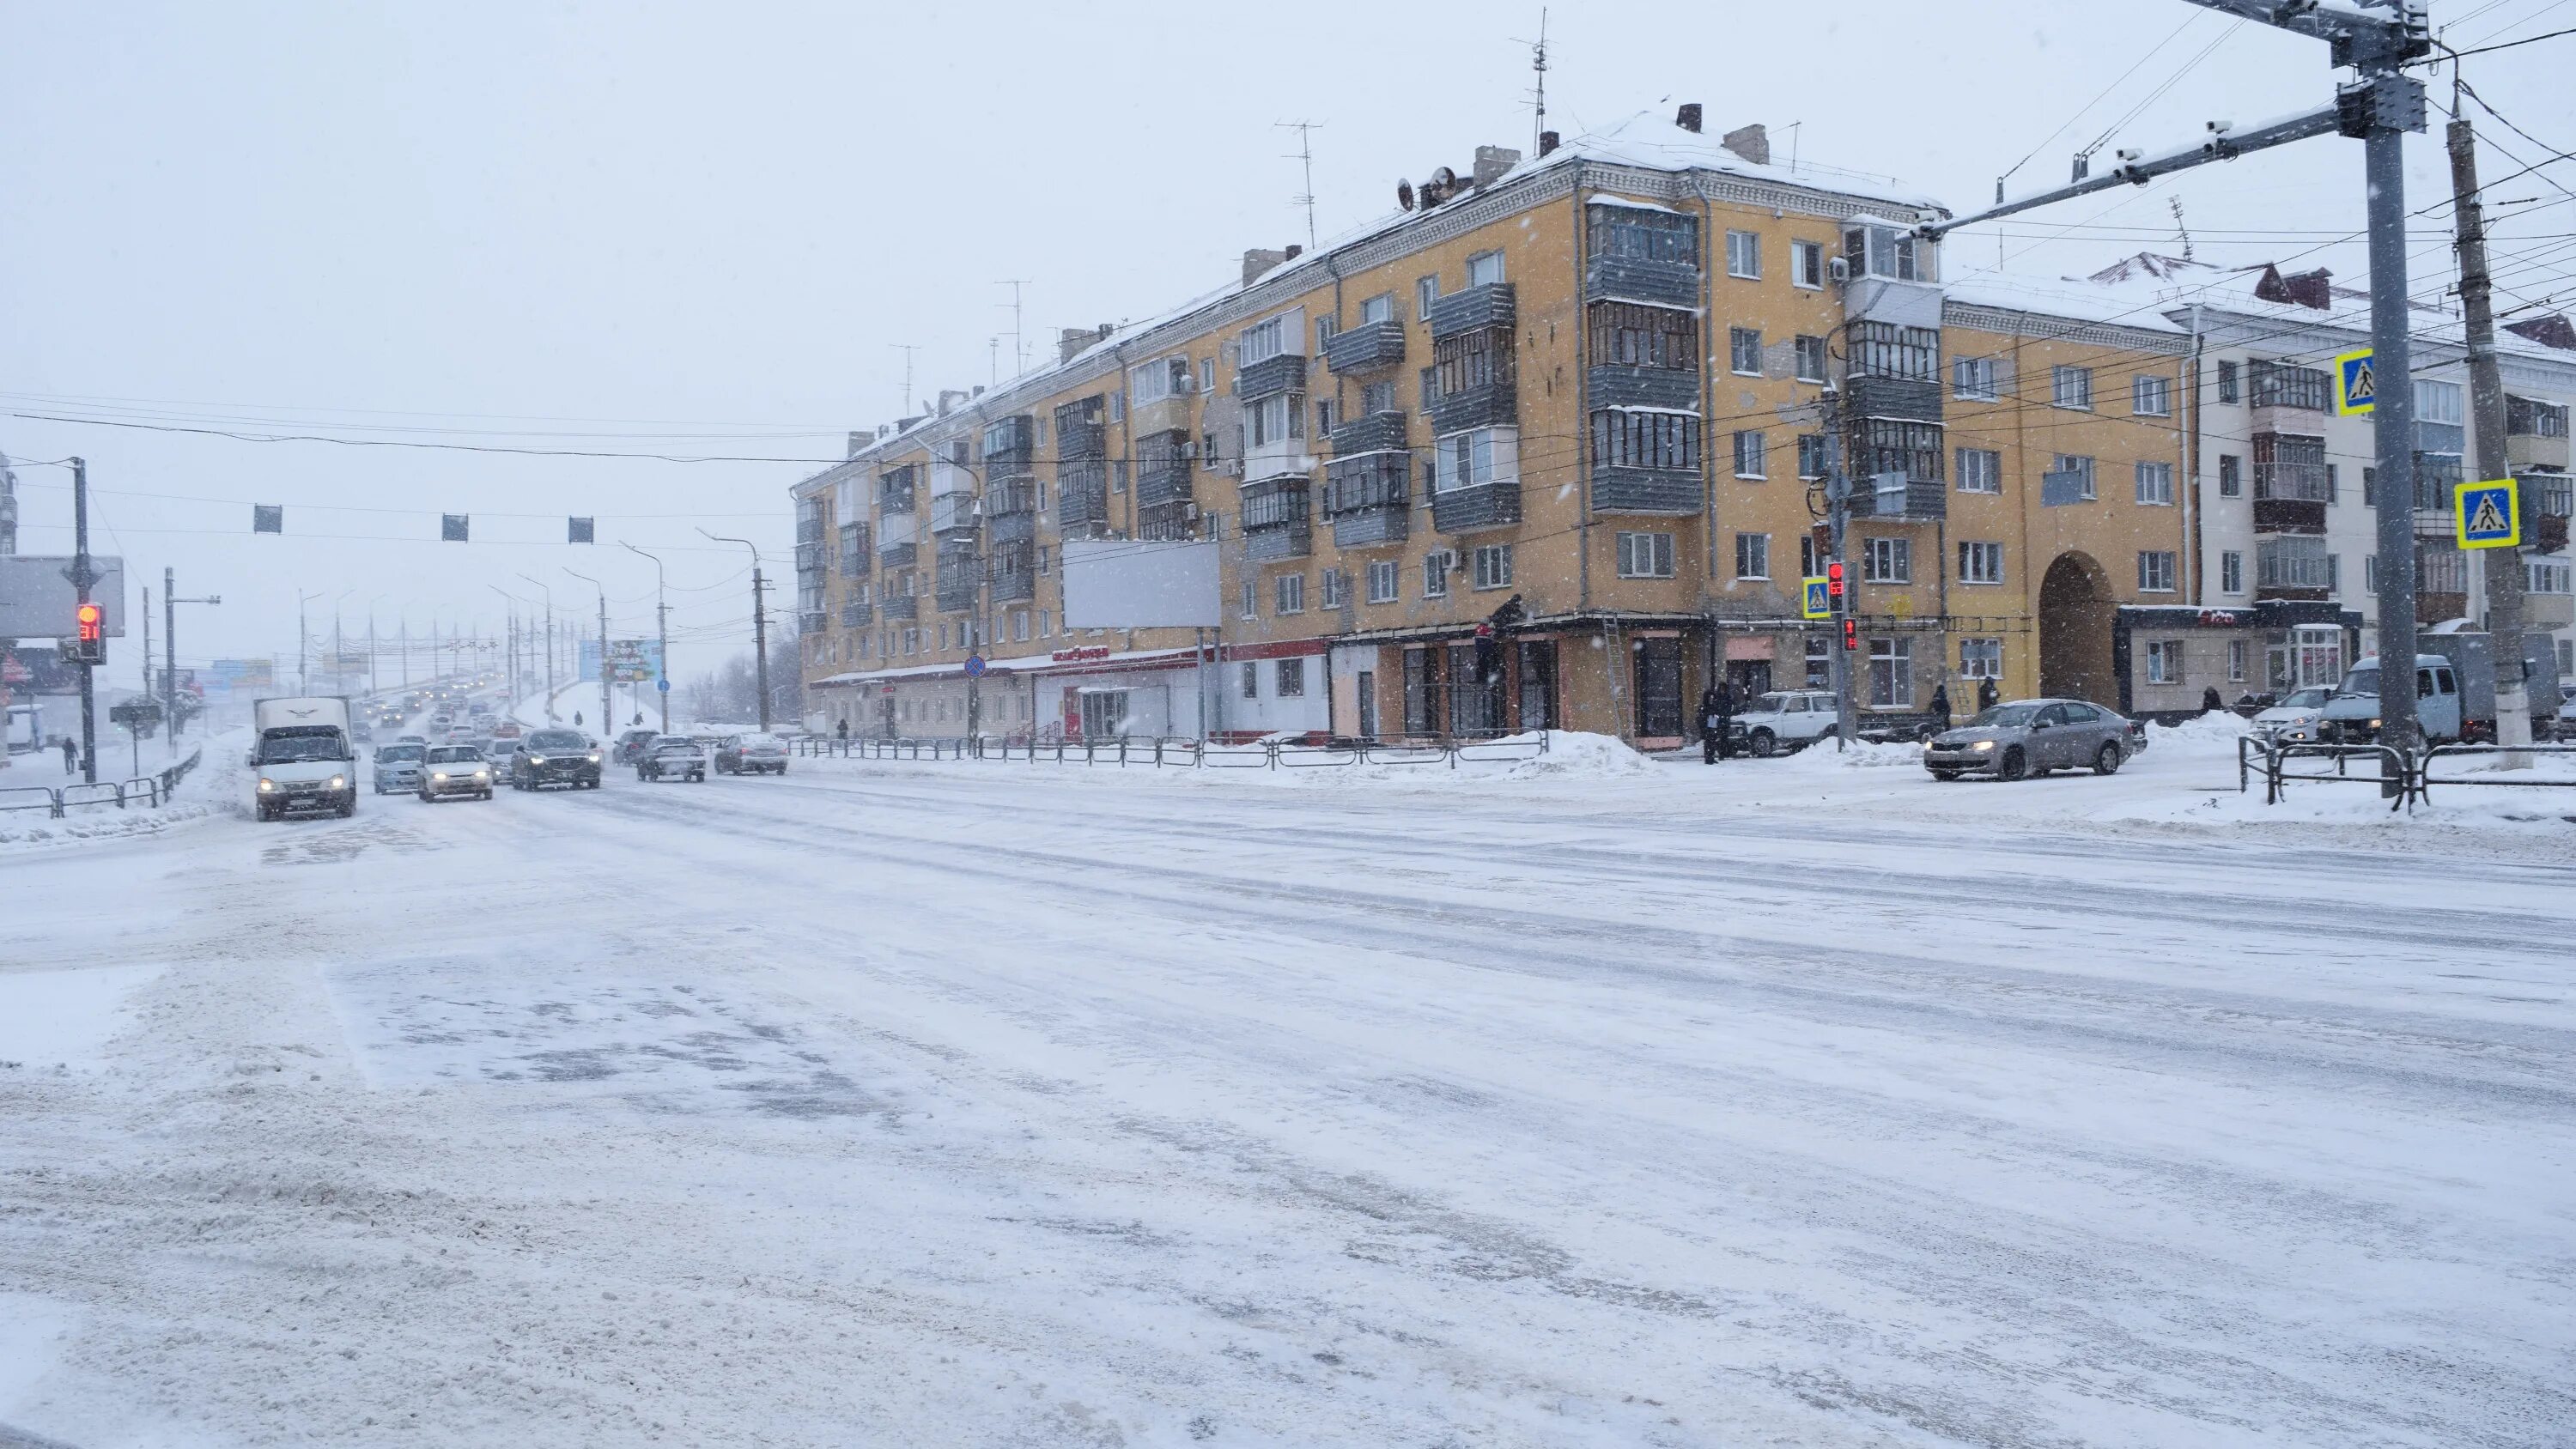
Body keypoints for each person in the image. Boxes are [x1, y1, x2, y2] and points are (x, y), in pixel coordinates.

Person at [1699, 679, 1737, 764]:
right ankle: (1710, 756)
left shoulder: (1726, 698)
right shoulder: (1713, 701)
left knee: (1719, 739)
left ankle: (1717, 755)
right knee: (1712, 740)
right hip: (1715, 721)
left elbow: (1730, 707)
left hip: (1721, 720)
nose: (1722, 691)